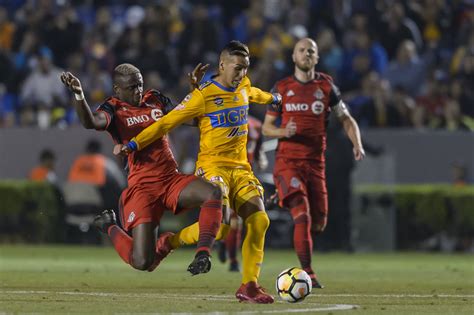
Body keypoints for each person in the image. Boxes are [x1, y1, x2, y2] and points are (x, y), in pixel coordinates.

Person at [116, 41, 281, 304]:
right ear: (222, 65)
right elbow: (165, 123)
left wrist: (273, 98)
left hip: (241, 169)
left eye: (246, 68)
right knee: (223, 230)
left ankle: (249, 286)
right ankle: (170, 243)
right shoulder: (202, 96)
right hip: (213, 167)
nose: (242, 73)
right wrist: (133, 144)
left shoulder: (244, 85)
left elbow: (255, 93)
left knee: (260, 221)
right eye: (238, 68)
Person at [60, 63, 225, 275]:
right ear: (118, 90)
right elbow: (90, 122)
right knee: (142, 262)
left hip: (170, 179)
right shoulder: (113, 108)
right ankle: (109, 226)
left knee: (213, 193)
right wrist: (79, 95)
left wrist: (196, 90)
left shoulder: (155, 99)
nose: (138, 91)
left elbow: (192, 118)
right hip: (143, 188)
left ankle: (203, 254)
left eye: (139, 85)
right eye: (131, 87)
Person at [262, 38, 365, 288]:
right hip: (288, 161)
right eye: (302, 50)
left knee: (319, 223)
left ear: (317, 58)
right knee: (302, 215)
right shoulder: (282, 87)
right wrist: (283, 132)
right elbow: (267, 128)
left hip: (315, 165)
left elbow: (346, 119)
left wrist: (357, 143)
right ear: (293, 57)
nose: (306, 53)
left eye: (311, 51)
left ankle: (281, 195)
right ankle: (308, 272)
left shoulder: (327, 87)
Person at [217, 115, 268, 272]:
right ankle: (230, 254)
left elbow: (260, 152)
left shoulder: (257, 125)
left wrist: (261, 159)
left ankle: (228, 250)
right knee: (232, 221)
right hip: (228, 175)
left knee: (241, 221)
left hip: (246, 177)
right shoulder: (226, 120)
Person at [68, 139, 126, 210]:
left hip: (72, 202)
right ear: (99, 150)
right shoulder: (105, 163)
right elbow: (120, 183)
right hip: (95, 205)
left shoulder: (77, 162)